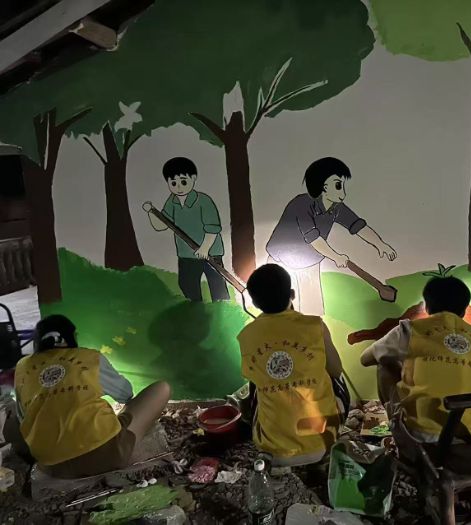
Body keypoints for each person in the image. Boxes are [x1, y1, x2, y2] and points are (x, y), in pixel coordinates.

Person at [5, 315, 171, 478]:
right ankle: (117, 444)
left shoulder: (22, 367)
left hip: (53, 468)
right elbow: (126, 394)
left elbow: (23, 418)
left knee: (11, 419)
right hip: (106, 455)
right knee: (161, 389)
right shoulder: (89, 357)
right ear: (73, 336)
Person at [360, 276, 471, 442]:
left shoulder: (409, 330)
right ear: (464, 310)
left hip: (420, 434)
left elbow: (365, 359)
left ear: (427, 307)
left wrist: (405, 365)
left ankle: (397, 421)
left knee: (384, 364)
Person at [237, 264, 350, 466]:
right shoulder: (315, 325)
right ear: (292, 294)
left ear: (253, 302)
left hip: (274, 452)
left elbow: (254, 377)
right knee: (338, 381)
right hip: (322, 443)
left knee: (255, 386)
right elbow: (336, 370)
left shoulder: (247, 335)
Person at [266, 157, 396, 315]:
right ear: (323, 186)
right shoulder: (301, 204)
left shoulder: (336, 208)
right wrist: (336, 257)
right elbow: (314, 238)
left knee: (313, 307)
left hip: (310, 260)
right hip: (280, 260)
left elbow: (358, 225)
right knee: (275, 306)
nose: (343, 192)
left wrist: (380, 244)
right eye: (338, 185)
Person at [143, 157, 229, 302]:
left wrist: (204, 248)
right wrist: (151, 212)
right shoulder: (172, 201)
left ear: (193, 178)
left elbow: (212, 229)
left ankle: (223, 307)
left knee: (217, 285)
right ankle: (196, 309)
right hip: (187, 253)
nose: (179, 187)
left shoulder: (203, 201)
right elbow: (162, 225)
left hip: (210, 253)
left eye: (183, 182)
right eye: (173, 183)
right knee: (187, 285)